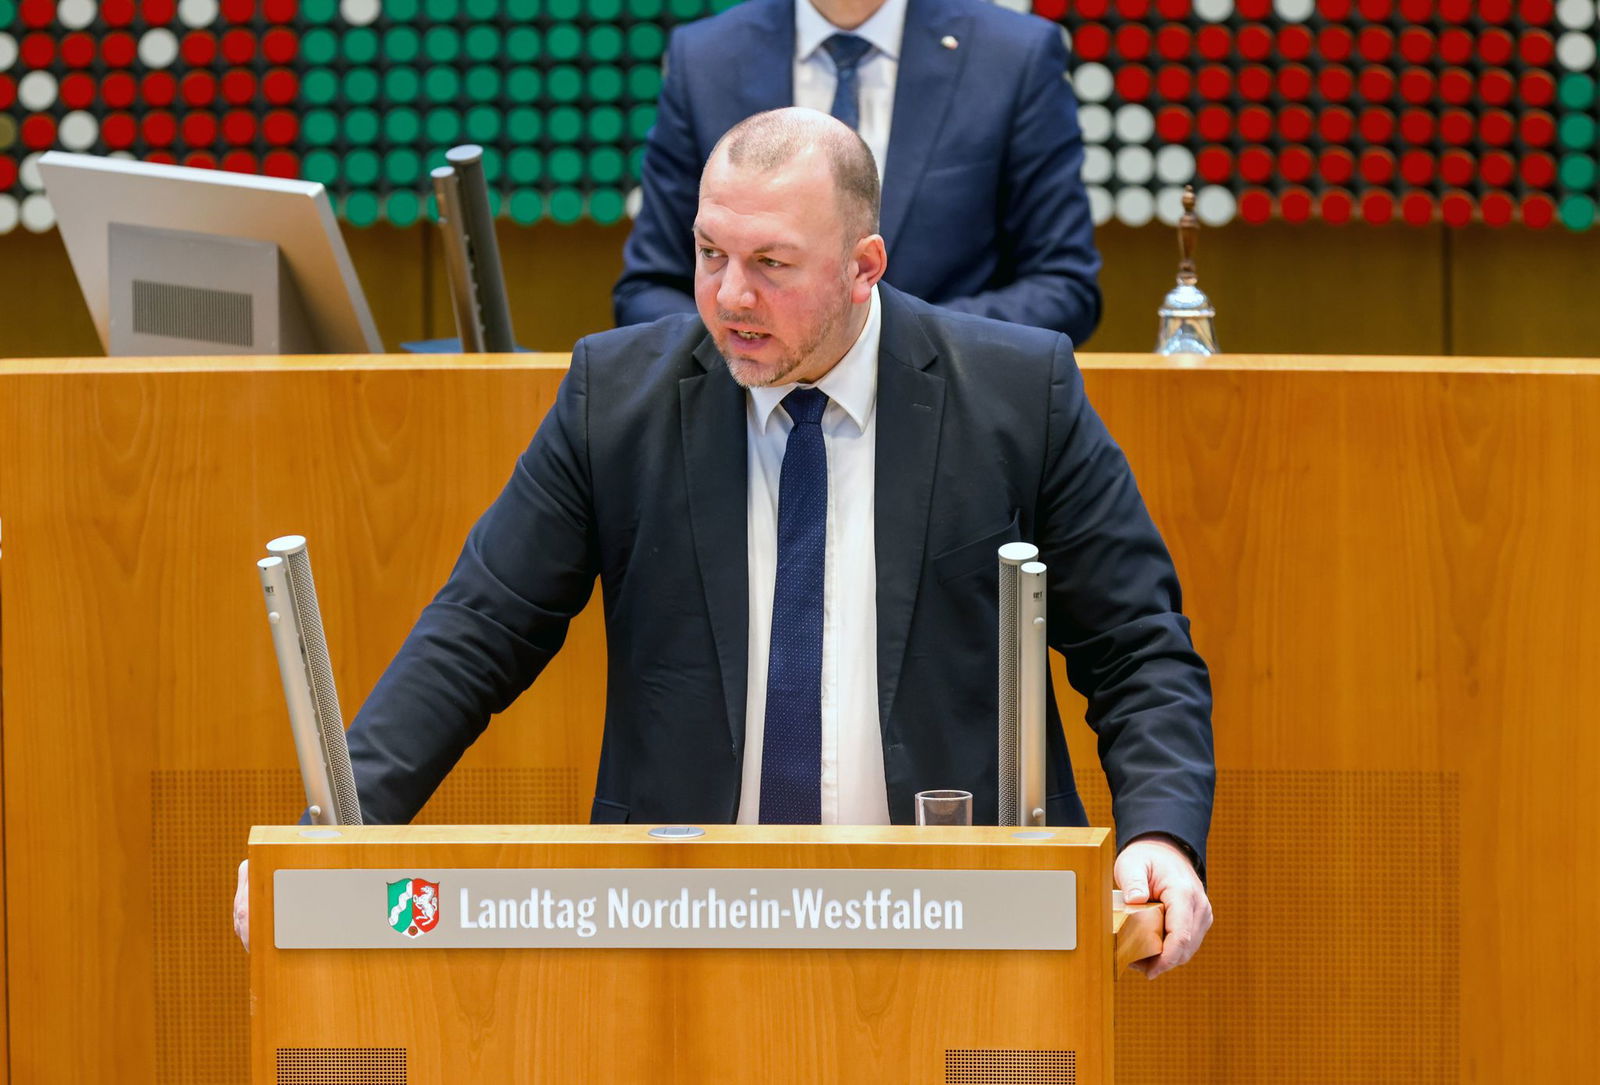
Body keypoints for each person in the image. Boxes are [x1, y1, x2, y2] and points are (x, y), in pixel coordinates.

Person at [237, 109, 1210, 977]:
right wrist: (332, 830)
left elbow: (1135, 645)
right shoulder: (616, 399)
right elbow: (480, 626)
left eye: (771, 264)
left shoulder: (1015, 394)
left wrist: (1160, 832)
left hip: (961, 921)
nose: (729, 296)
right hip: (683, 931)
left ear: (864, 267)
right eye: (709, 253)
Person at [612, 0, 1103, 344]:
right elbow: (647, 290)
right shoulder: (706, 58)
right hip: (745, 415)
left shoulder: (1012, 56)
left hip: (952, 414)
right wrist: (752, 343)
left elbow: (1063, 287)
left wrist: (889, 349)